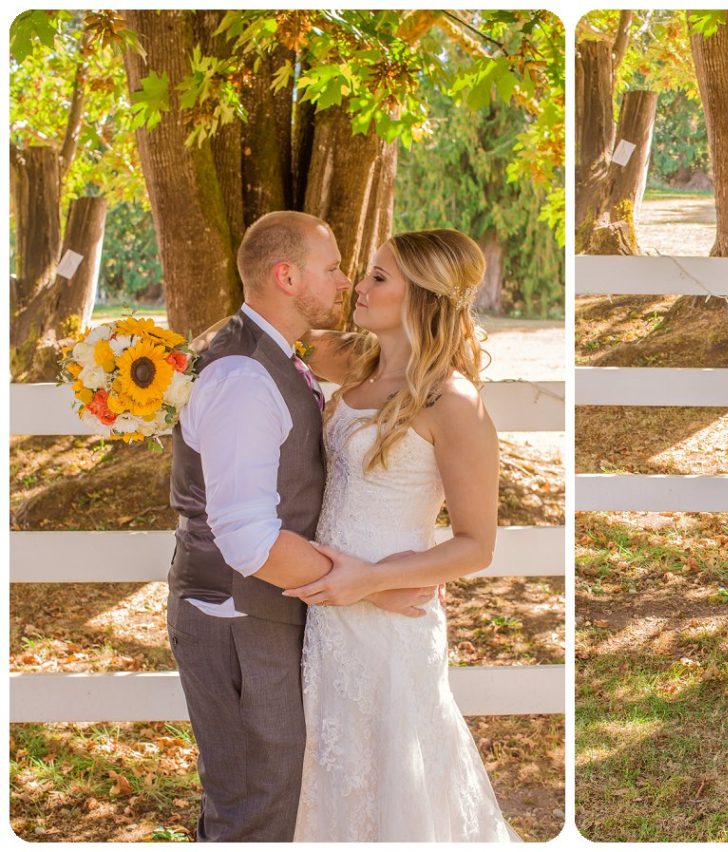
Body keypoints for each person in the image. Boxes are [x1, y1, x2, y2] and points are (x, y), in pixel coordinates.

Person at [167, 211, 436, 841]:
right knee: (256, 807)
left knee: (277, 796)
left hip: (264, 613)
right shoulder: (242, 378)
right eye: (334, 267)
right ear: (287, 277)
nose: (345, 283)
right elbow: (249, 540)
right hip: (234, 618)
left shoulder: (274, 354)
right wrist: (373, 586)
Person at [280, 229, 516, 840]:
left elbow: (476, 544)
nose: (359, 285)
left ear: (424, 297)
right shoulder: (348, 361)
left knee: (396, 776)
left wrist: (373, 581)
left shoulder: (453, 401)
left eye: (379, 277)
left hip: (391, 618)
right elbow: (257, 332)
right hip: (329, 611)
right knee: (332, 769)